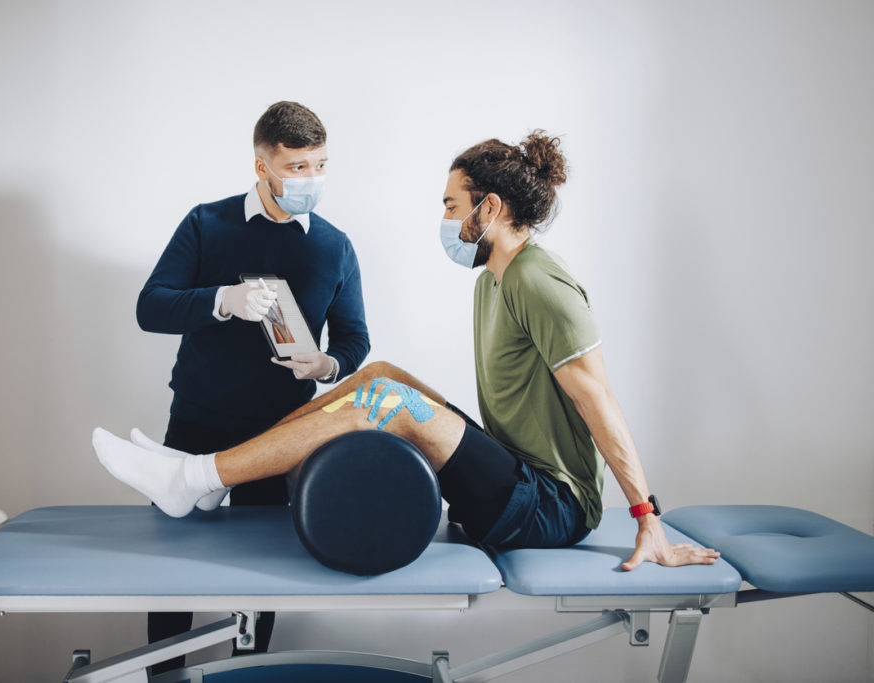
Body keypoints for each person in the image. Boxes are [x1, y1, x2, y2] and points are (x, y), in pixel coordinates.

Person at [103, 129, 716, 593]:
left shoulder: (541, 284)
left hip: (551, 502)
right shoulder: (494, 281)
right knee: (381, 377)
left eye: (453, 206)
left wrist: (644, 516)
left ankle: (197, 478)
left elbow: (597, 400)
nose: (445, 220)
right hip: (515, 474)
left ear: (492, 209)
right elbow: (155, 306)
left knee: (389, 404)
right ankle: (211, 477)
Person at [133, 101, 370, 672]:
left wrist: (327, 365)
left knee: (262, 571)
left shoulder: (334, 246)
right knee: (174, 564)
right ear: (262, 166)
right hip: (196, 419)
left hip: (280, 432)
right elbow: (150, 307)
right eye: (297, 167)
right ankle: (164, 676)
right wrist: (220, 300)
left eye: (320, 165)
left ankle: (247, 672)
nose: (310, 180)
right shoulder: (205, 223)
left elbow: (356, 337)